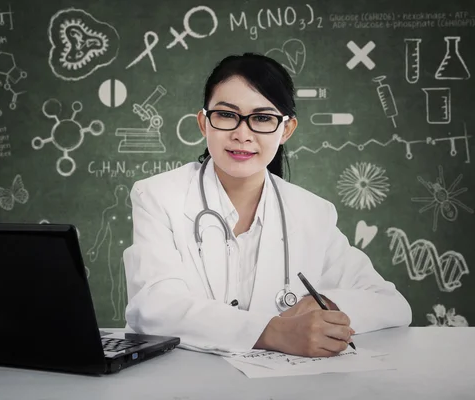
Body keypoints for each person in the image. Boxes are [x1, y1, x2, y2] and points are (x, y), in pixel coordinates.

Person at [122, 53, 412, 357]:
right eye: (226, 115)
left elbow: (392, 304)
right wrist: (272, 332)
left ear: (285, 130)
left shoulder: (313, 212)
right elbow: (153, 307)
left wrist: (323, 303)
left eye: (262, 118)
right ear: (204, 123)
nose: (242, 134)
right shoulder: (157, 196)